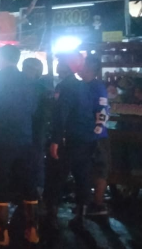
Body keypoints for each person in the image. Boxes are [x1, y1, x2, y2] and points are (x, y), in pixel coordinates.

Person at [0, 45, 40, 246]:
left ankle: (0, 232)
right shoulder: (28, 81)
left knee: (0, 181)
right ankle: (32, 230)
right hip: (25, 139)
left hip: (1, 139)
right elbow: (33, 108)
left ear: (2, 58)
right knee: (28, 183)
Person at [46, 52, 93, 230]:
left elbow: (60, 115)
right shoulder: (83, 86)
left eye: (60, 62)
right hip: (85, 139)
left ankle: (52, 215)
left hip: (68, 140)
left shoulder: (65, 86)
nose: (58, 66)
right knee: (82, 177)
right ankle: (81, 216)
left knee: (56, 176)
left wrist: (55, 140)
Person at [82, 55, 111, 217]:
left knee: (100, 168)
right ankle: (88, 203)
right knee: (87, 169)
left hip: (96, 136)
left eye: (83, 64)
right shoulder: (85, 85)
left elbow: (102, 111)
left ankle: (98, 203)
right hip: (85, 135)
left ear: (90, 67)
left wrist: (97, 130)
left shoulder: (97, 86)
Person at [22, 57, 52, 197]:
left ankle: (36, 192)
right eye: (25, 67)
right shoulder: (40, 87)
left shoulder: (41, 88)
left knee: (36, 159)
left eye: (28, 68)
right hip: (28, 129)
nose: (25, 71)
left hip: (36, 129)